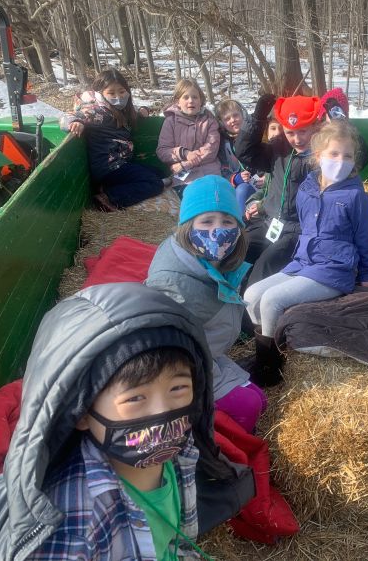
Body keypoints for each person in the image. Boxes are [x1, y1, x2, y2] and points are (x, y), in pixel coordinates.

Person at [0, 282, 254, 559]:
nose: (162, 412)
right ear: (82, 413)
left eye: (177, 389)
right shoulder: (74, 526)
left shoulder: (180, 451)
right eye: (136, 398)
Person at [243, 120, 368, 385]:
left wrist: (367, 274)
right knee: (251, 295)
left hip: (333, 269)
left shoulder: (356, 196)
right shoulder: (307, 187)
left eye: (348, 155)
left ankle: (270, 367)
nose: (341, 161)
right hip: (303, 261)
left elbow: (365, 237)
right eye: (333, 153)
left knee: (271, 300)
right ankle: (263, 353)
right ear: (318, 156)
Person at [146, 175, 267, 431]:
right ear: (188, 226)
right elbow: (171, 356)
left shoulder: (210, 260)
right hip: (180, 369)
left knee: (260, 398)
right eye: (206, 221)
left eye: (226, 221)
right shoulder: (172, 284)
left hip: (207, 351)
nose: (217, 230)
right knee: (249, 405)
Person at [234, 94, 321, 286]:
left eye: (303, 131)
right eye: (290, 133)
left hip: (297, 231)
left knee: (263, 267)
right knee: (236, 248)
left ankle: (248, 311)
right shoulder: (279, 149)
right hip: (270, 223)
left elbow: (357, 158)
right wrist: (258, 117)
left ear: (315, 127)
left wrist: (339, 119)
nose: (297, 139)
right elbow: (244, 152)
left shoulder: (322, 156)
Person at [59, 68, 165, 210]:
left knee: (158, 173)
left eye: (121, 92)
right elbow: (67, 116)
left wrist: (143, 109)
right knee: (155, 184)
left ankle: (108, 187)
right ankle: (109, 197)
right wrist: (75, 122)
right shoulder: (98, 111)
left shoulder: (120, 109)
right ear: (101, 94)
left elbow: (131, 113)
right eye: (111, 93)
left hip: (120, 164)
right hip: (108, 168)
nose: (118, 97)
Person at [157, 78, 221, 188]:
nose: (191, 101)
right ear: (178, 101)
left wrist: (186, 163)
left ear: (201, 101)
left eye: (195, 97)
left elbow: (211, 149)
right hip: (183, 179)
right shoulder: (170, 122)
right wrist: (184, 153)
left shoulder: (209, 121)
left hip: (209, 173)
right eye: (186, 97)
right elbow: (163, 151)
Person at [216, 99, 261, 208]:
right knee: (241, 189)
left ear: (243, 115)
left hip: (260, 182)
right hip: (237, 185)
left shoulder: (255, 134)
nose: (233, 120)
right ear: (222, 123)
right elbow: (223, 169)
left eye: (235, 115)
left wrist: (265, 177)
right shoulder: (223, 143)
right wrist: (236, 178)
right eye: (227, 119)